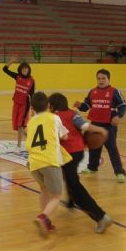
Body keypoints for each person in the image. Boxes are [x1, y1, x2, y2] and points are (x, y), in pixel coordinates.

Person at [48, 93, 113, 233]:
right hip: (78, 151)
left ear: (52, 106)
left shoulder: (54, 117)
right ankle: (71, 201)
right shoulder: (73, 113)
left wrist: (101, 130)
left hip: (67, 154)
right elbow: (84, 125)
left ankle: (101, 216)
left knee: (75, 186)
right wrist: (100, 129)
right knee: (69, 178)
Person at [26, 92, 71, 238]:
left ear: (32, 108)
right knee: (57, 196)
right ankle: (43, 217)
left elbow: (30, 134)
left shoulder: (30, 121)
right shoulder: (54, 118)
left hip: (33, 163)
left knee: (44, 190)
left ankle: (47, 222)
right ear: (48, 106)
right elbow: (64, 135)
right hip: (49, 161)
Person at [74, 69, 126, 182]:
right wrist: (80, 105)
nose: (101, 80)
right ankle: (92, 168)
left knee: (112, 148)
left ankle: (119, 172)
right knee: (94, 146)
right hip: (95, 124)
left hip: (109, 126)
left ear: (108, 79)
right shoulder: (92, 91)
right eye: (99, 78)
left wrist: (118, 116)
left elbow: (123, 106)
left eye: (103, 78)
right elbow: (86, 106)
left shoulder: (114, 91)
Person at [2, 57, 35, 148]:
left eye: (26, 68)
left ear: (29, 69)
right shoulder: (17, 77)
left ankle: (19, 145)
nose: (25, 70)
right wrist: (10, 62)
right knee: (18, 126)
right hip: (16, 103)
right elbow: (4, 70)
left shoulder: (31, 81)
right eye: (23, 68)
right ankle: (32, 139)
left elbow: (32, 94)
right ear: (20, 70)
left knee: (21, 124)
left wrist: (32, 108)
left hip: (25, 105)